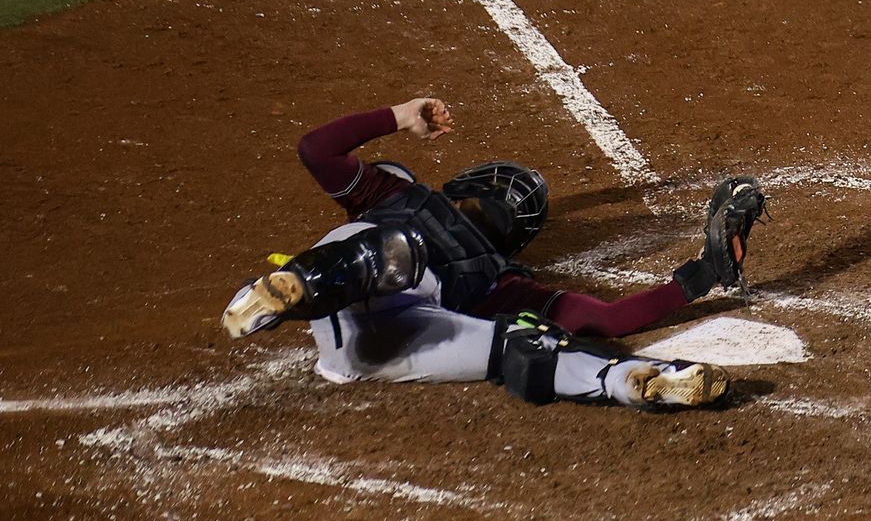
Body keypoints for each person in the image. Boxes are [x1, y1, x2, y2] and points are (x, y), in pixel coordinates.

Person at [220, 96, 766, 412]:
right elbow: (606, 317)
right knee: (525, 340)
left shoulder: (395, 193)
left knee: (513, 338)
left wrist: (400, 114)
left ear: (466, 188)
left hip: (355, 332)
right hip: (376, 336)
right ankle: (623, 380)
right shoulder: (505, 281)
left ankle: (640, 380)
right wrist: (698, 277)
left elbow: (315, 148)